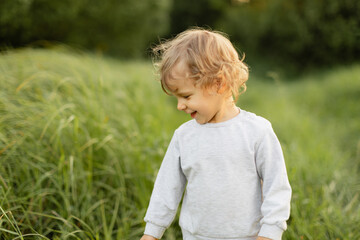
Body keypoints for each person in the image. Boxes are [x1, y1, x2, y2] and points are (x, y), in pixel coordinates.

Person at [140, 28, 291, 240]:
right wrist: (151, 233)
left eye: (186, 96)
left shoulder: (257, 132)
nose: (179, 106)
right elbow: (166, 189)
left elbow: (277, 188)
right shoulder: (184, 137)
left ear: (218, 83)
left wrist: (270, 233)